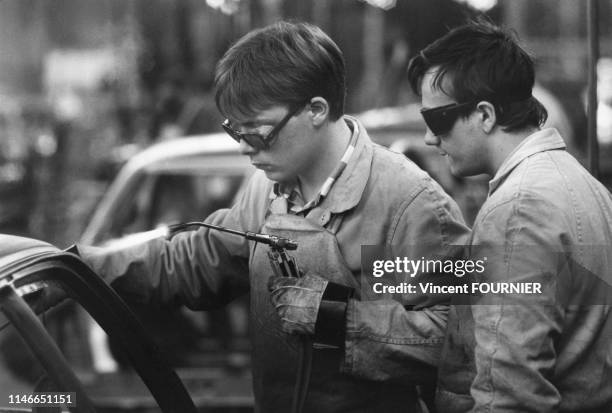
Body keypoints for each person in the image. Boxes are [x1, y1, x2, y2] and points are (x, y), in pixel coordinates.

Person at [79, 21, 469, 412]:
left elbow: (456, 340)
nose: (246, 150)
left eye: (259, 133)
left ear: (316, 110)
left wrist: (339, 320)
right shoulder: (266, 190)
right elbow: (198, 258)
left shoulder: (408, 204)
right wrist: (83, 267)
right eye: (236, 132)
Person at [407, 20, 612, 412]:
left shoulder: (519, 210)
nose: (431, 138)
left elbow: (511, 395)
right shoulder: (581, 184)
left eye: (437, 120)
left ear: (485, 115)